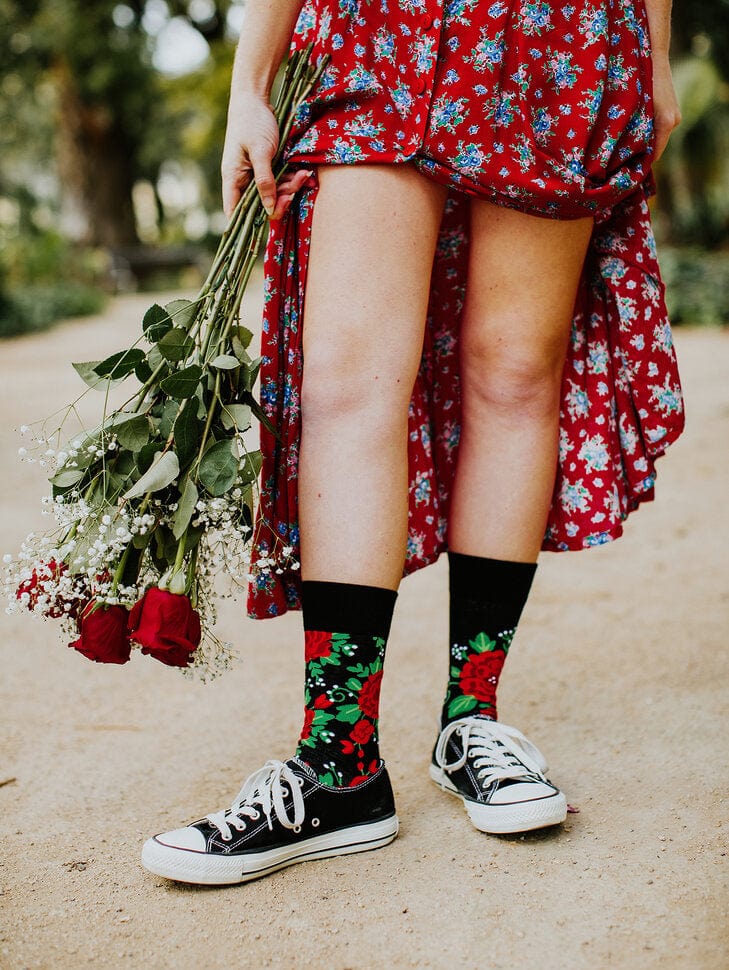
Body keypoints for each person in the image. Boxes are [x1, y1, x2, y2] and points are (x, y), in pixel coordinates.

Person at [141, 0, 683, 885]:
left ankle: (472, 718)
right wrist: (251, 81)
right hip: (378, 25)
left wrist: (653, 49)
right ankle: (340, 761)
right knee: (350, 382)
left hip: (564, 34)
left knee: (513, 372)